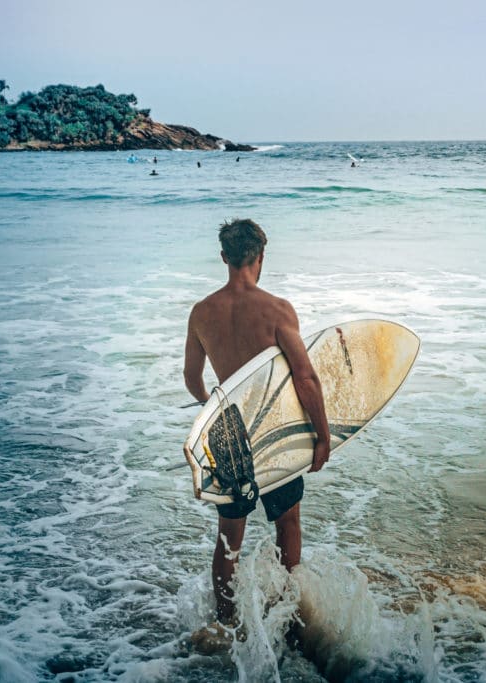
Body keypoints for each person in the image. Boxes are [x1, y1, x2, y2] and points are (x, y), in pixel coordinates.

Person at [183, 218, 331, 632]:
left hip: (228, 432)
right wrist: (322, 436)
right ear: (260, 256)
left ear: (224, 258)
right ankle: (287, 613)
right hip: (272, 432)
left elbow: (192, 378)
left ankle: (226, 623)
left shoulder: (201, 312)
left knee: (229, 537)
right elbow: (305, 377)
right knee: (287, 522)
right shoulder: (277, 310)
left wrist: (212, 407)